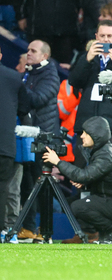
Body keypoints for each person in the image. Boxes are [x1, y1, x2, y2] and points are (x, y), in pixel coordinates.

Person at [42, 116, 112, 244]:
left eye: (86, 133)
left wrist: (57, 162)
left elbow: (83, 175)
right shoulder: (100, 150)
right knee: (68, 204)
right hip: (111, 200)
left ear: (96, 135)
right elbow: (101, 179)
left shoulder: (106, 155)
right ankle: (92, 235)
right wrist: (86, 184)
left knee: (78, 206)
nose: (82, 136)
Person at [68, 20, 112, 163]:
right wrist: (87, 60)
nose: (106, 39)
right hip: (86, 127)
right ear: (96, 37)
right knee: (82, 175)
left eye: (109, 36)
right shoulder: (87, 57)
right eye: (102, 36)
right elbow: (74, 82)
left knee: (111, 176)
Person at [17, 40, 61, 240]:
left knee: (41, 185)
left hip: (43, 139)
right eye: (27, 50)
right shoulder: (30, 73)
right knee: (28, 184)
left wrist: (15, 86)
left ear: (44, 56)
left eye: (33, 51)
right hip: (29, 137)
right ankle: (28, 228)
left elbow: (38, 99)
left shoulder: (51, 75)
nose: (28, 53)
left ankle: (45, 231)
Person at [0, 45, 29, 243]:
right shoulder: (14, 78)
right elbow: (24, 109)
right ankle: (3, 230)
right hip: (5, 145)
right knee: (3, 189)